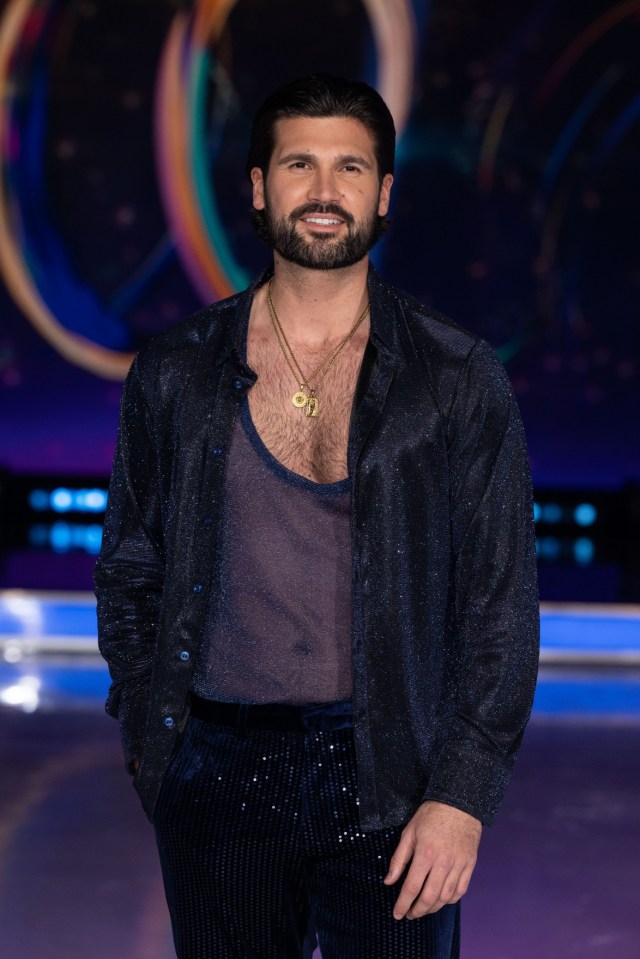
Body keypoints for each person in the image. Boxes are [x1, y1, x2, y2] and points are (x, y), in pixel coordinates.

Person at [95, 74, 539, 959]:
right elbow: (130, 571)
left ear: (383, 193)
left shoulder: (454, 378)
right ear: (260, 187)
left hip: (392, 772)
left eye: (350, 167)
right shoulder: (177, 371)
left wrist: (460, 795)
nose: (325, 191)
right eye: (301, 164)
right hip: (214, 771)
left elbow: (500, 607)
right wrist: (158, 748)